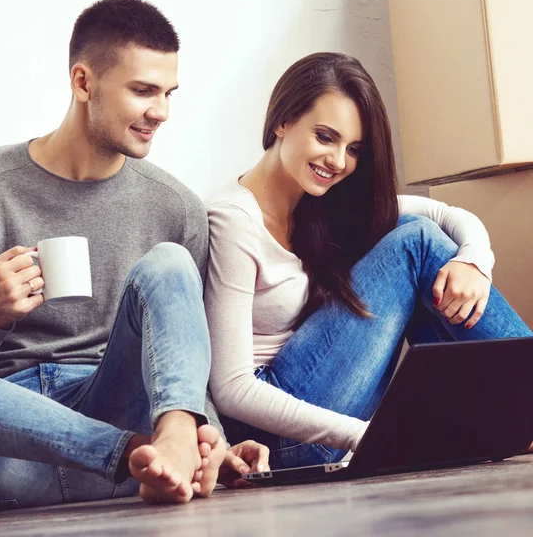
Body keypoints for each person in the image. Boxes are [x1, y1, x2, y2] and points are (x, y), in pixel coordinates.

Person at [0, 0, 268, 511]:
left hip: (116, 410)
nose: (161, 111)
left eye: (168, 93)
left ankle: (167, 444)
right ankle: (134, 452)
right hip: (8, 454)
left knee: (170, 263)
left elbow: (181, 359)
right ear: (83, 82)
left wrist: (209, 440)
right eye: (143, 91)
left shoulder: (175, 207)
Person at [204, 52, 533, 470]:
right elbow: (232, 388)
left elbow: (446, 214)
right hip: (276, 438)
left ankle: (505, 418)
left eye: (354, 148)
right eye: (325, 137)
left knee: (420, 233)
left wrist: (474, 262)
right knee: (414, 242)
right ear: (282, 121)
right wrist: (371, 436)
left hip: (328, 405)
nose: (339, 162)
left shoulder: (320, 205)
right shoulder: (233, 221)